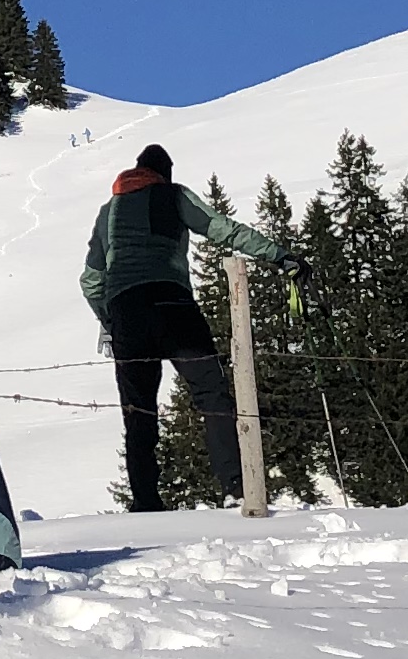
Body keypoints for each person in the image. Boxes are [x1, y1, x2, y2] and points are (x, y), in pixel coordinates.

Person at [78, 146, 298, 511]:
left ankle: (146, 502)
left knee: (139, 410)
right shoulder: (174, 195)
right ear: (164, 173)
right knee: (211, 395)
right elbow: (221, 229)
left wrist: (109, 322)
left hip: (127, 313)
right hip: (173, 305)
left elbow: (91, 280)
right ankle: (235, 488)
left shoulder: (108, 212)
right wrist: (278, 255)